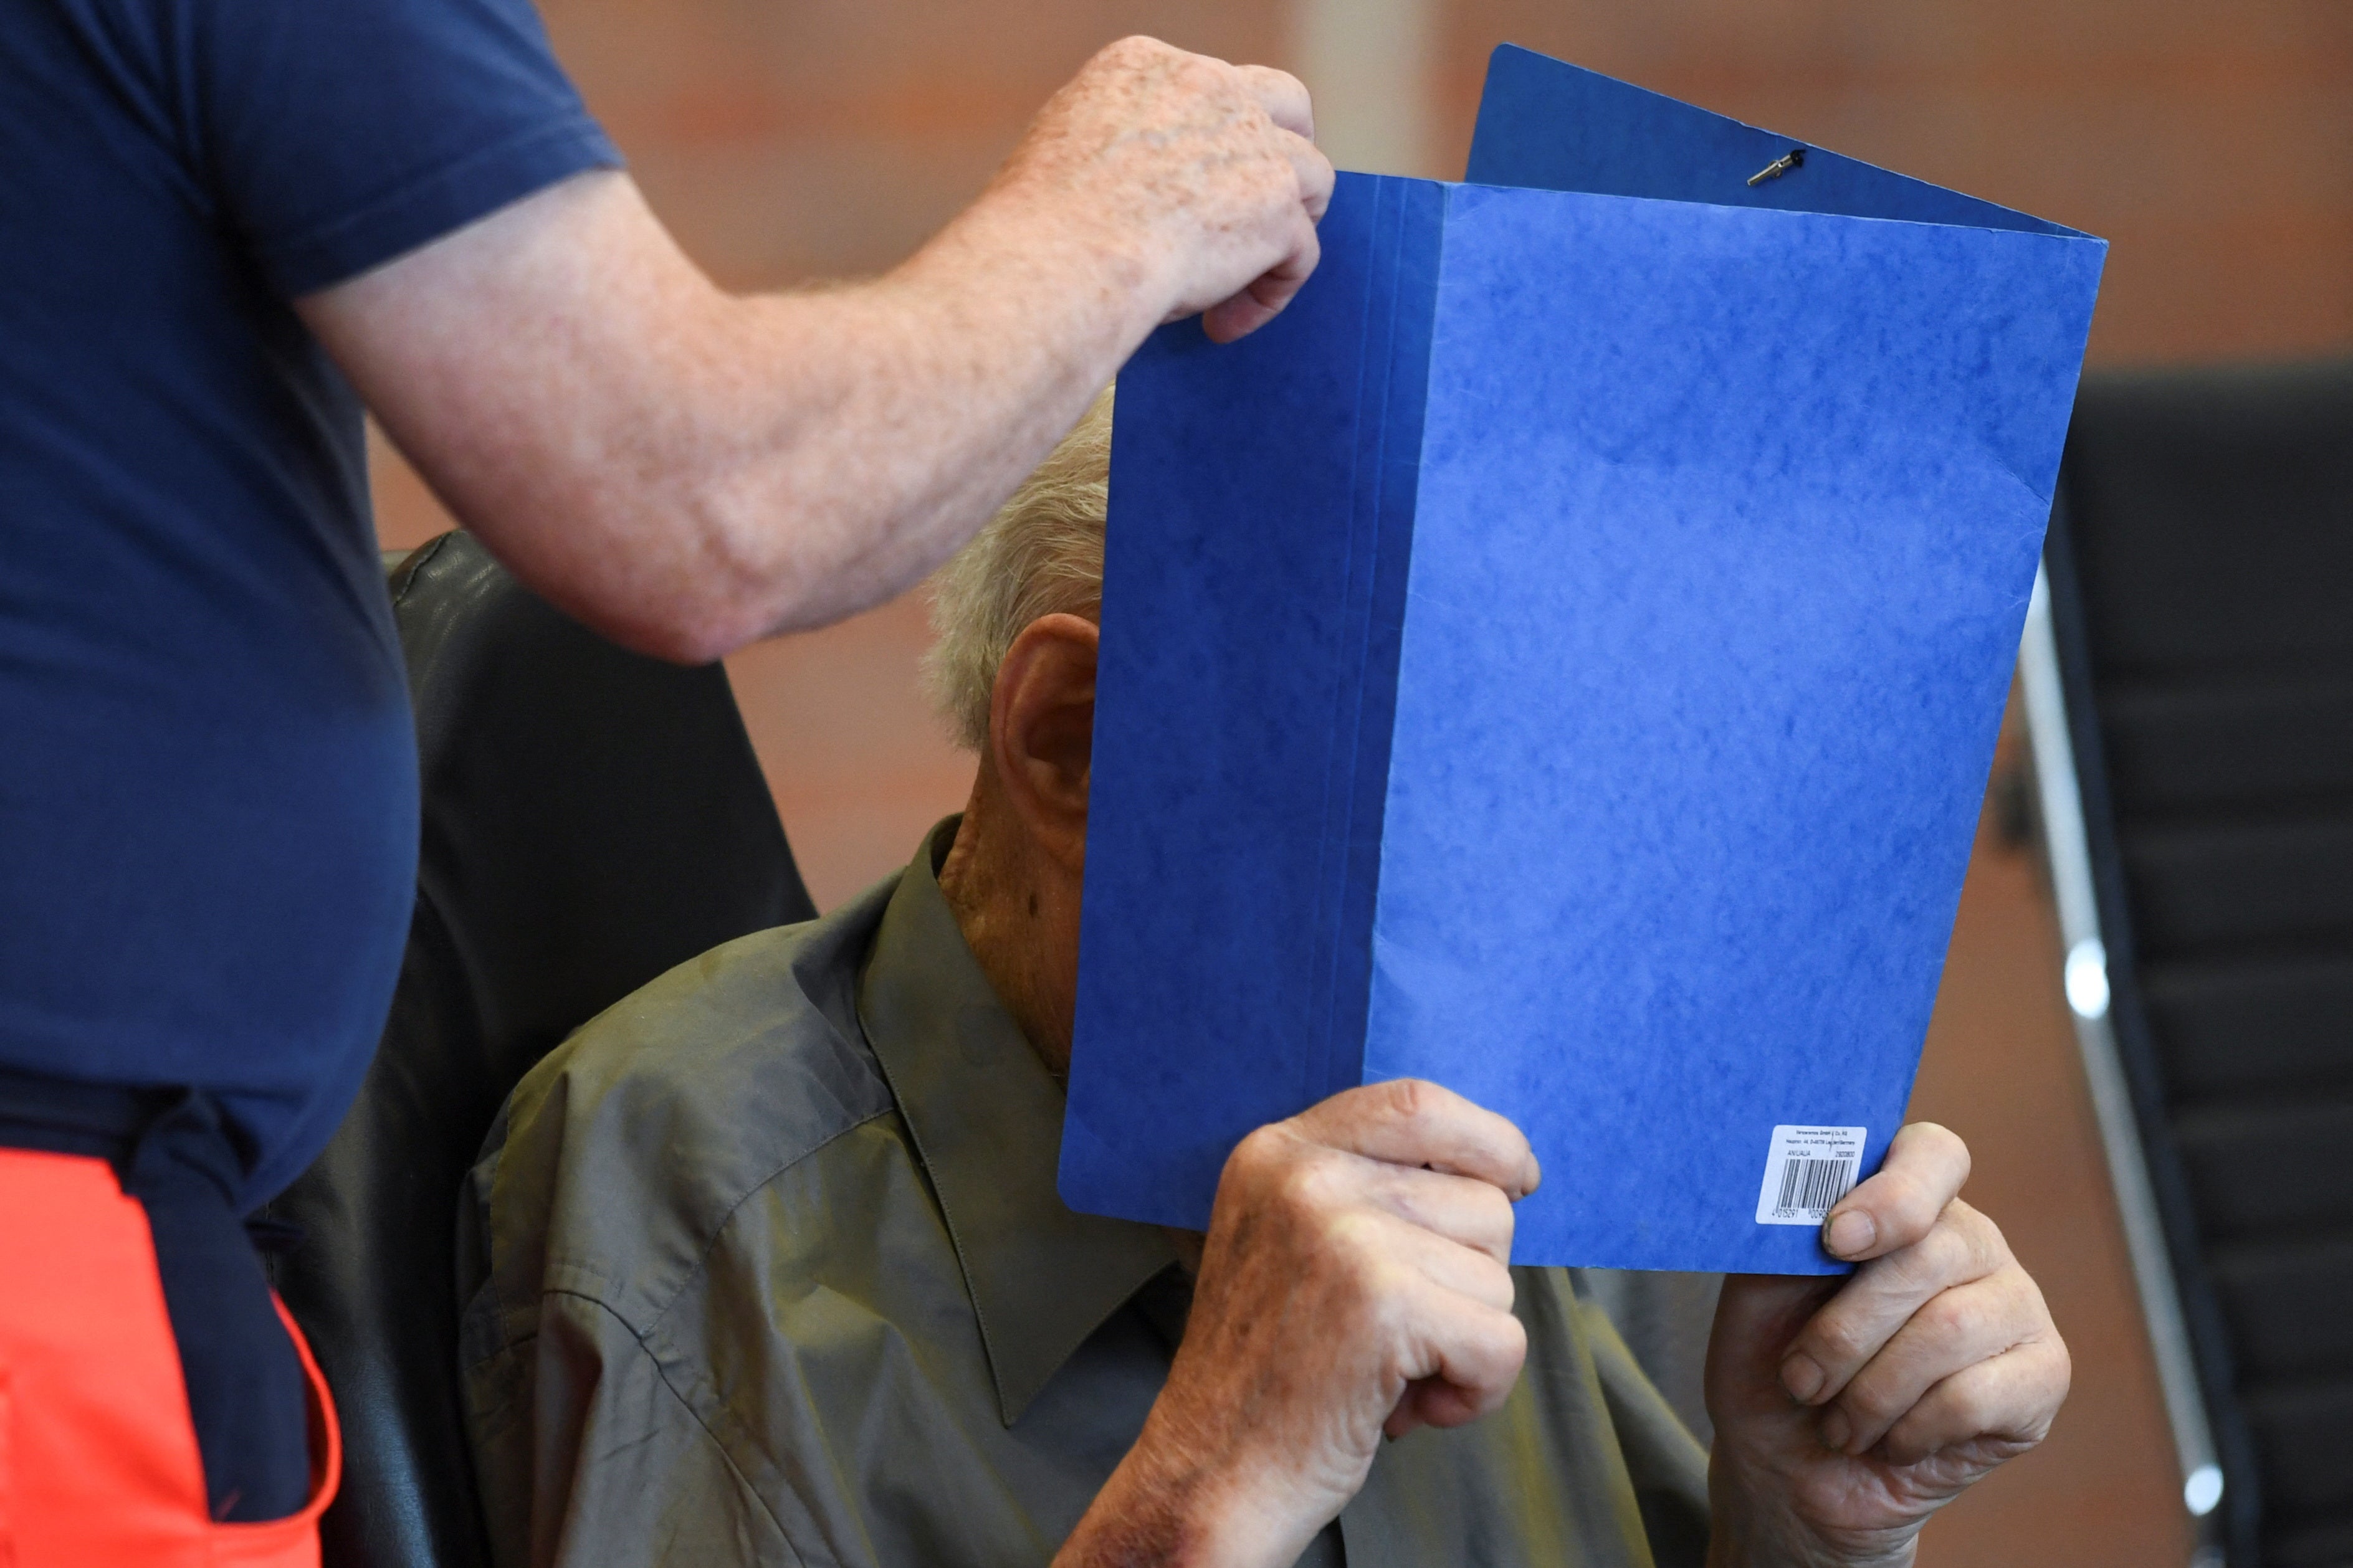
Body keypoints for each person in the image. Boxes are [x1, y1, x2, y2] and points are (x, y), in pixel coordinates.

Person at [0, 0, 1330, 1554]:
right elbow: (703, 500)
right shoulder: (711, 1222)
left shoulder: (1541, 1263)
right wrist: (1116, 215)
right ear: (1062, 735)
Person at [458, 394, 2072, 1567]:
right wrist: (1210, 1494)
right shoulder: (680, 1194)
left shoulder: (1550, 1139)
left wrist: (1811, 1526)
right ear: (1071, 740)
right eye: (1439, 802)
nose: (1519, 930)